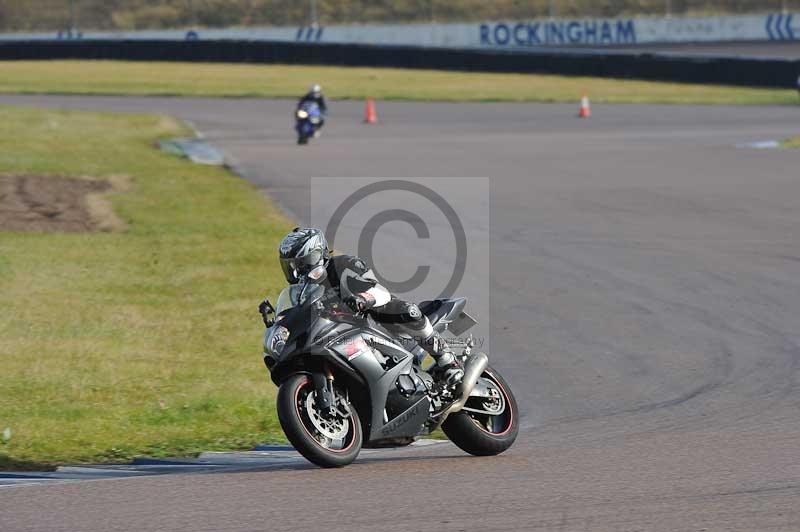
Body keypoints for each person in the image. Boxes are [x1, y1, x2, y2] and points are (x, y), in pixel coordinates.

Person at [277, 227, 465, 387]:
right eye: (291, 266)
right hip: (337, 335)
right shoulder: (299, 292)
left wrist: (362, 299)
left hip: (375, 319)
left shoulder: (343, 265)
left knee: (409, 311)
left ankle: (448, 360)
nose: (296, 271)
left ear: (317, 254)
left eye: (301, 264)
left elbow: (377, 290)